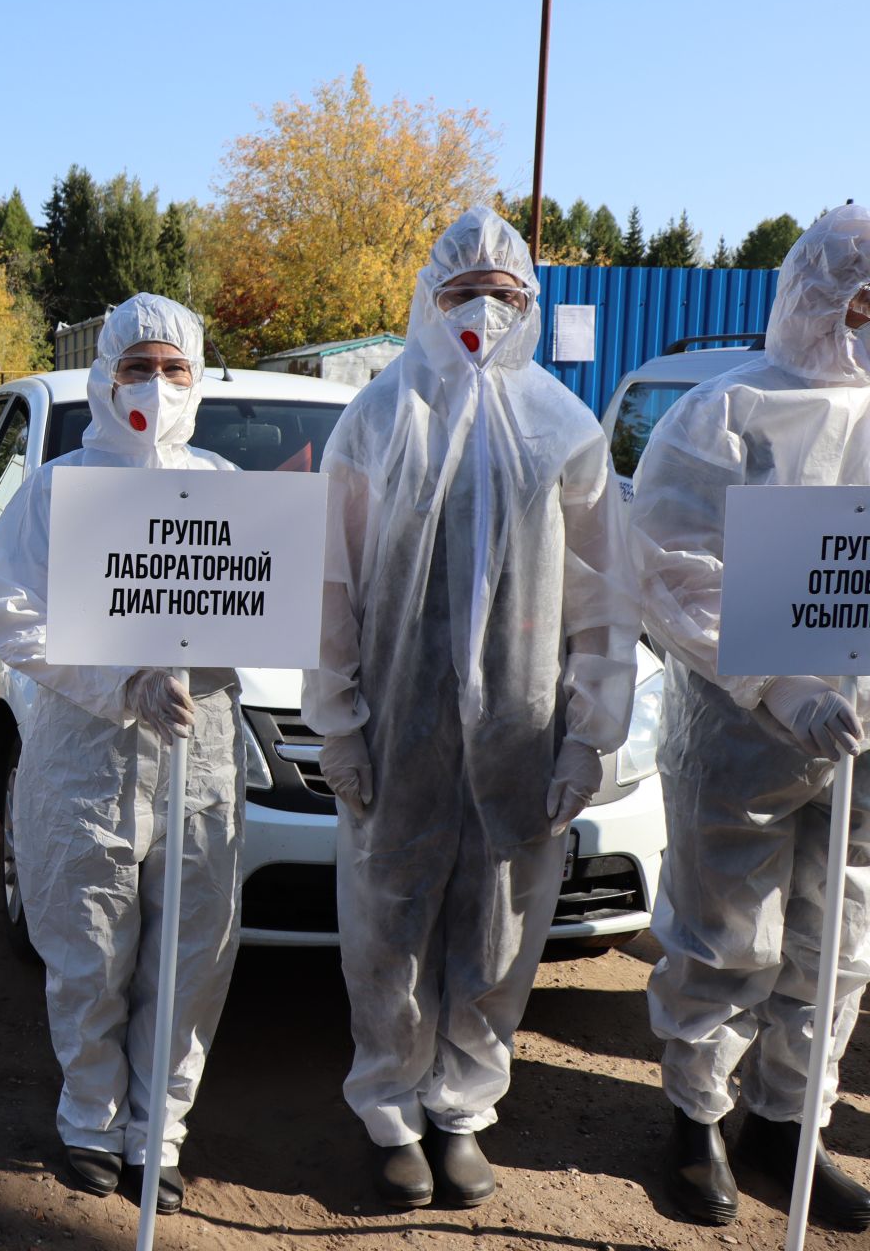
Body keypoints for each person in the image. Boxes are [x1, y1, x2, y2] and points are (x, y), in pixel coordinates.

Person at [304, 206, 640, 1209]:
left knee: (498, 925)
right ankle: (391, 1113)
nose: (481, 313)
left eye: (503, 297)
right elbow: (332, 585)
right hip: (399, 733)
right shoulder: (378, 417)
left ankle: (461, 1112)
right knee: (389, 923)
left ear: (528, 306)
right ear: (428, 297)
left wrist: (588, 735)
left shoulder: (563, 428)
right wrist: (338, 722)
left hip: (518, 735)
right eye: (463, 294)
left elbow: (601, 598)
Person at [631, 204, 870, 1230]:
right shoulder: (727, 413)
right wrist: (784, 681)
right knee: (728, 929)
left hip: (864, 741)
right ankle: (697, 1117)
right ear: (818, 290)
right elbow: (676, 570)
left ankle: (789, 1118)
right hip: (741, 730)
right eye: (863, 296)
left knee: (841, 937)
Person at [0, 293, 242, 1216]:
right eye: (140, 367)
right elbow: (13, 614)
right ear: (106, 376)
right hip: (84, 749)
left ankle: (158, 1134)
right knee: (88, 945)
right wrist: (117, 679)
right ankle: (90, 1120)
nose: (157, 387)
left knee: (191, 952)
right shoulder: (58, 488)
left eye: (176, 370)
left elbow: (270, 604)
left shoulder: (223, 484)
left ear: (198, 381)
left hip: (198, 751)